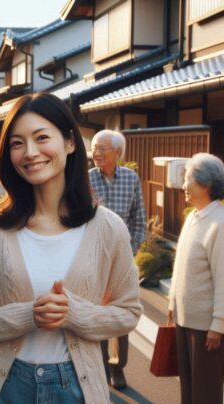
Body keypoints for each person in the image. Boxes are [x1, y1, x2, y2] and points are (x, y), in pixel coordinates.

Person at [0, 93, 142, 404]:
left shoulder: (108, 229)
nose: (30, 152)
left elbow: (129, 311)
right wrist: (29, 316)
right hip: (5, 391)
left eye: (42, 137)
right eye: (17, 143)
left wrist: (75, 314)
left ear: (70, 142)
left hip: (76, 392)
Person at [162, 153, 224, 404]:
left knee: (207, 385)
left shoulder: (221, 222)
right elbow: (182, 266)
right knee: (189, 379)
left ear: (205, 183)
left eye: (187, 178)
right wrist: (171, 302)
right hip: (185, 314)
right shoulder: (195, 216)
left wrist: (219, 324)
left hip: (206, 321)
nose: (183, 184)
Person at [88, 129, 147, 390]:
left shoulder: (131, 178)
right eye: (94, 148)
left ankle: (117, 366)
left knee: (121, 313)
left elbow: (139, 220)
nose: (96, 153)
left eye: (102, 148)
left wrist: (129, 252)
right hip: (93, 259)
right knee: (98, 313)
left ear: (117, 153)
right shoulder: (86, 179)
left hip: (123, 261)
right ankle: (99, 366)